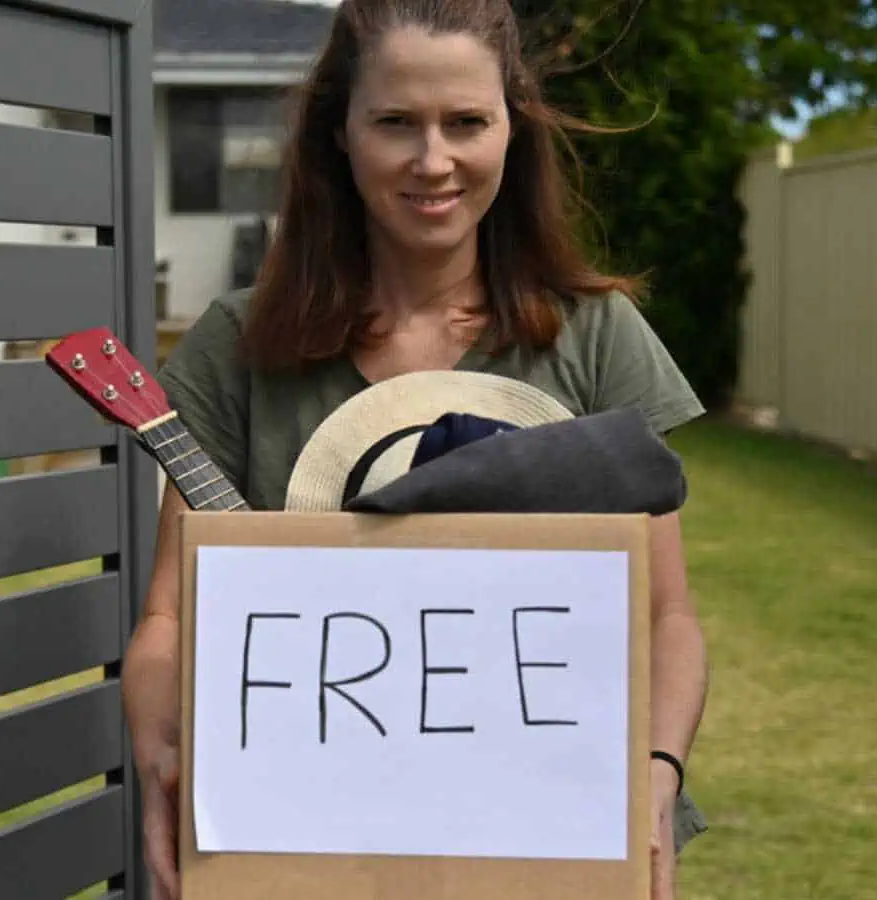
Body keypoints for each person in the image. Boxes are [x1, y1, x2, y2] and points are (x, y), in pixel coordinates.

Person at [121, 0, 710, 897]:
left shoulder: (596, 337)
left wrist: (658, 771)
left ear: (512, 130)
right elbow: (170, 613)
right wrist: (165, 755)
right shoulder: (239, 346)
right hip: (298, 839)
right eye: (396, 122)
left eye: (466, 122)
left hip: (546, 832)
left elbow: (664, 614)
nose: (434, 161)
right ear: (341, 134)